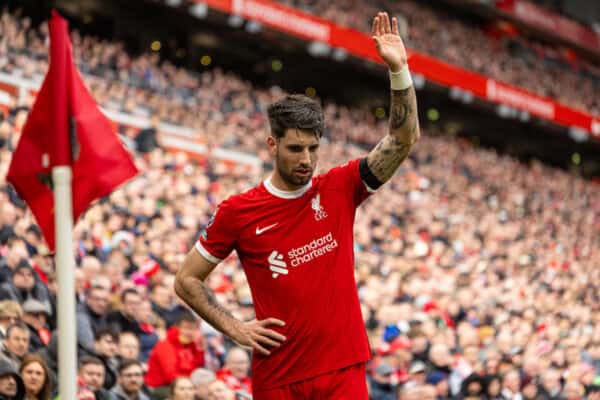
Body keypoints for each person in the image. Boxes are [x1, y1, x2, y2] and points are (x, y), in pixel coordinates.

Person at [175, 11, 419, 399]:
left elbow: (403, 139)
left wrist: (399, 71)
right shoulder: (238, 211)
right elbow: (186, 279)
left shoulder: (340, 187)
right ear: (273, 145)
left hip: (342, 367)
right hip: (279, 376)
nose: (305, 158)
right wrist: (236, 328)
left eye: (312, 148)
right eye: (294, 148)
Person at [144, 311, 204, 392]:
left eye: (193, 329)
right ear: (177, 327)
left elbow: (197, 369)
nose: (189, 332)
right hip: (161, 387)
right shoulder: (166, 345)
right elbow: (170, 376)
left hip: (184, 385)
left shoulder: (192, 345)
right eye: (186, 328)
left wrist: (200, 350)